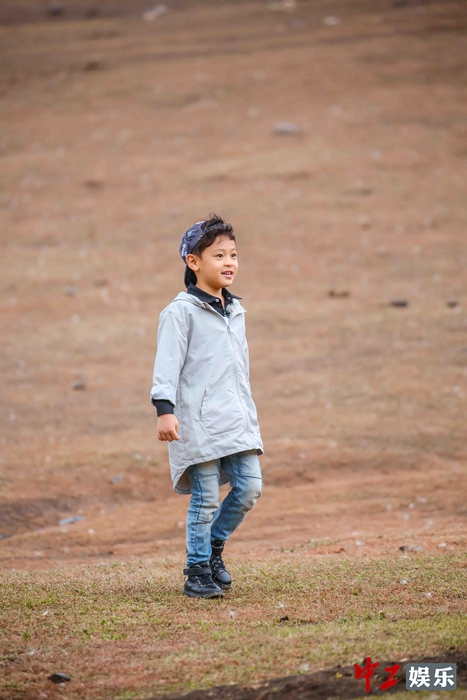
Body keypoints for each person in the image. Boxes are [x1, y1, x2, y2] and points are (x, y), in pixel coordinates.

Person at [150, 214, 264, 599]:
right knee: (206, 498)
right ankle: (197, 571)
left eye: (233, 254)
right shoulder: (179, 312)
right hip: (195, 423)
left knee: (250, 487)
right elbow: (167, 364)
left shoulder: (236, 311)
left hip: (235, 420)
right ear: (193, 262)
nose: (229, 262)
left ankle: (213, 548)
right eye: (219, 255)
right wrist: (165, 409)